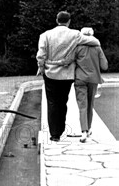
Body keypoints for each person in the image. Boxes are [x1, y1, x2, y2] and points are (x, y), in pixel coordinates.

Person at [36, 11, 100, 141]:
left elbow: (41, 55)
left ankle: (55, 134)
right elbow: (95, 41)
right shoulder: (75, 35)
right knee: (63, 102)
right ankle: (61, 129)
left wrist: (41, 67)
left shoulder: (45, 35)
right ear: (69, 21)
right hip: (67, 75)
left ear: (56, 20)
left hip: (50, 73)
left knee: (52, 102)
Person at [74, 27, 108, 142]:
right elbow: (105, 66)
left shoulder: (77, 47)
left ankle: (83, 132)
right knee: (90, 105)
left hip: (80, 79)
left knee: (82, 106)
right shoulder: (97, 47)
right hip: (93, 79)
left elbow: (70, 62)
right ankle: (88, 130)